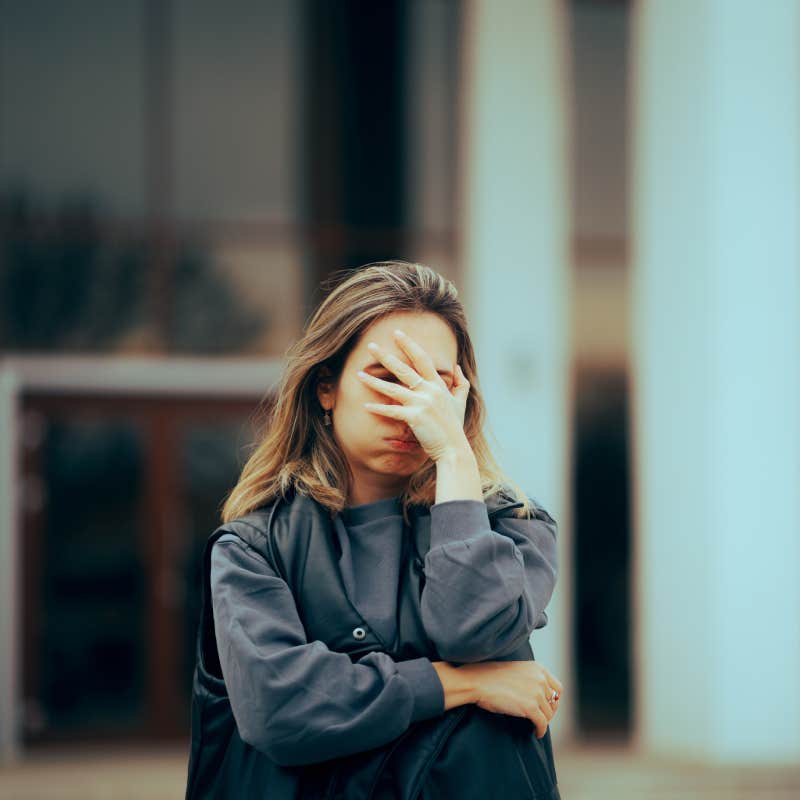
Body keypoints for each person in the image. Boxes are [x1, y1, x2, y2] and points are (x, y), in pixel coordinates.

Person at [185, 260, 564, 799]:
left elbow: (475, 633)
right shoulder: (255, 547)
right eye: (390, 379)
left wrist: (454, 457)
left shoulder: (516, 526)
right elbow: (281, 707)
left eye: (436, 384)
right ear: (326, 387)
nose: (414, 408)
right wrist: (465, 684)